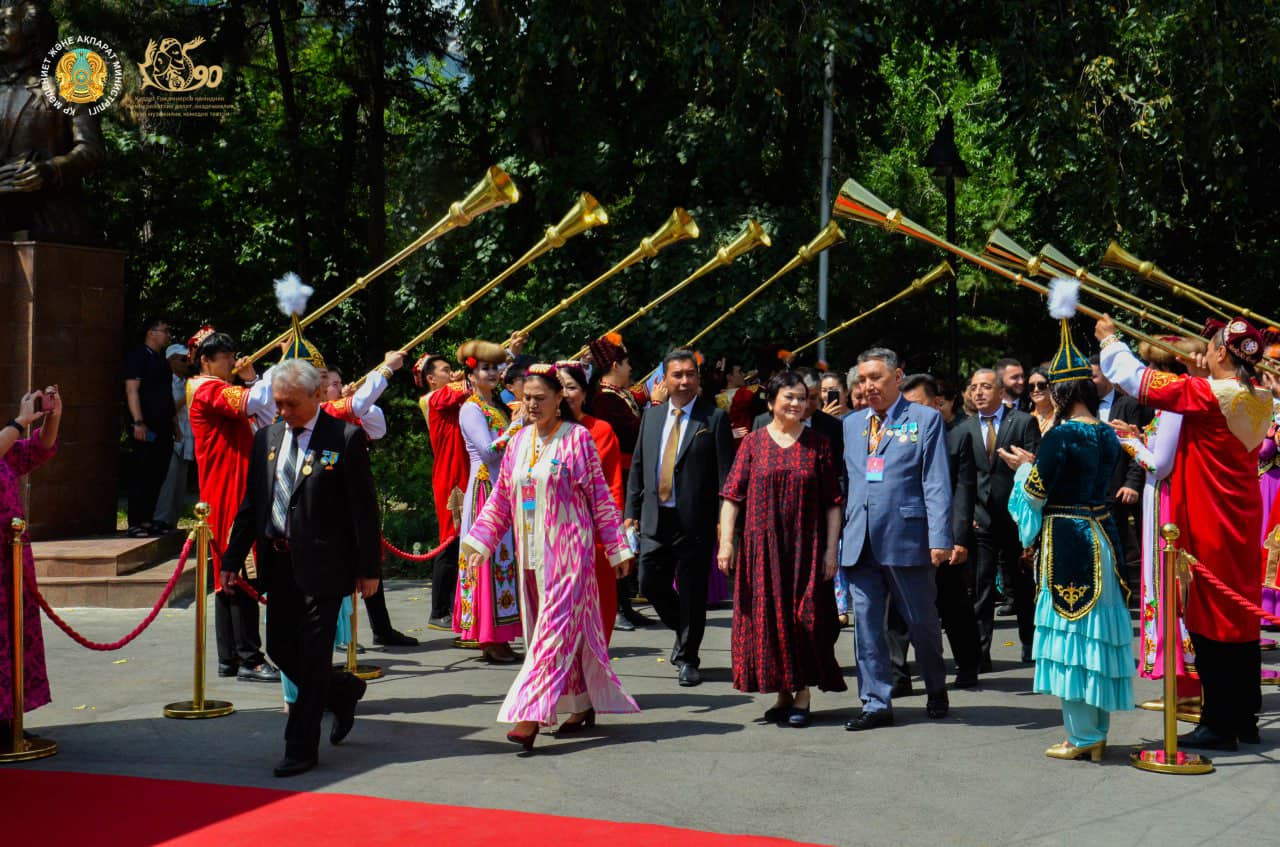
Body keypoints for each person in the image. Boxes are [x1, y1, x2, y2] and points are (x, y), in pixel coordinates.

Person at [1099, 312, 1274, 751]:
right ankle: (1243, 715)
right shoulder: (1259, 395)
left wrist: (1109, 340)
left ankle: (1218, 721)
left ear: (1218, 351)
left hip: (1208, 520)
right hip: (1241, 515)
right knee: (1240, 619)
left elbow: (1135, 379)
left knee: (1210, 619)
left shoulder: (1210, 393)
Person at [463, 364, 638, 751]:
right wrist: (480, 543)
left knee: (549, 635)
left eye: (540, 398)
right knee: (552, 634)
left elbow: (600, 499)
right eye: (526, 398)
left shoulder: (578, 439)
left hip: (570, 555)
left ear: (560, 399)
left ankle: (529, 716)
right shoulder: (519, 442)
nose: (532, 405)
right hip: (530, 554)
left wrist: (616, 548)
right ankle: (580, 703)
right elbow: (502, 498)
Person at [222, 359, 382, 777]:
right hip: (278, 562)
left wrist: (368, 569)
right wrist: (232, 559)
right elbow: (252, 504)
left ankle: (300, 746)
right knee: (279, 648)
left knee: (312, 658)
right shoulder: (268, 438)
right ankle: (343, 689)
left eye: (292, 404)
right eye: (278, 403)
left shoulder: (344, 438)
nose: (284, 412)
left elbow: (364, 512)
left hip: (326, 567)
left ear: (316, 396)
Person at [1005, 293, 1134, 762]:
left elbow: (1036, 492)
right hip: (1100, 535)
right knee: (1094, 637)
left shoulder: (1060, 435)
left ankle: (1082, 738)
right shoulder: (1105, 432)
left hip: (1067, 541)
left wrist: (1022, 469)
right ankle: (1094, 733)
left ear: (1060, 393)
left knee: (1072, 638)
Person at [718, 370, 845, 727]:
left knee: (804, 619)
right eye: (789, 397)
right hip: (762, 550)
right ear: (771, 402)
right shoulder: (753, 443)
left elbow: (833, 502)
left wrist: (831, 551)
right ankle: (783, 692)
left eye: (802, 398)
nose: (796, 403)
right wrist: (726, 542)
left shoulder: (818, 443)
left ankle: (802, 693)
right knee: (768, 621)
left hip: (806, 548)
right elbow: (731, 497)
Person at [840, 347, 952, 730]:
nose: (867, 386)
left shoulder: (925, 419)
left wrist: (940, 537)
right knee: (867, 628)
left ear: (897, 376)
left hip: (908, 537)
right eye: (862, 379)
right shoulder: (851, 424)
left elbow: (935, 482)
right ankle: (875, 702)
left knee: (921, 622)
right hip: (860, 539)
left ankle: (936, 688)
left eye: (875, 378)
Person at [625, 348, 735, 687]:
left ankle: (688, 657)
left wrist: (724, 523)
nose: (685, 381)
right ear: (664, 380)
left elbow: (724, 475)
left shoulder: (712, 419)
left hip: (695, 521)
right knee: (650, 583)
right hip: (655, 518)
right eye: (678, 375)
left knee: (692, 591)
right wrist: (630, 512)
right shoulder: (653, 416)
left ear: (698, 378)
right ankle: (683, 628)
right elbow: (639, 467)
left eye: (690, 374)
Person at [1110, 336, 1206, 703]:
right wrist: (1138, 435)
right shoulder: (1183, 405)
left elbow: (1158, 463)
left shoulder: (1174, 408)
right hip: (1170, 496)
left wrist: (1128, 441)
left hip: (1165, 500)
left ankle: (1184, 685)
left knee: (1164, 587)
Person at [186, 327, 280, 684]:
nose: (231, 362)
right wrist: (269, 372)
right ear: (206, 361)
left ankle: (230, 658)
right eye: (224, 358)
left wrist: (253, 378)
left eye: (231, 355)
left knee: (227, 576)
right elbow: (255, 402)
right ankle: (249, 658)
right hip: (228, 491)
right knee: (241, 573)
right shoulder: (207, 387)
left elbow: (265, 412)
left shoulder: (219, 388)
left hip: (231, 487)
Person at [319, 356, 417, 648]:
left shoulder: (347, 409)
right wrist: (384, 369)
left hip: (357, 490)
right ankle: (341, 636)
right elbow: (358, 405)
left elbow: (377, 427)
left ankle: (382, 628)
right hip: (333, 495)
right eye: (333, 384)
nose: (340, 387)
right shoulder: (326, 409)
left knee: (369, 558)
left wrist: (360, 399)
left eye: (338, 383)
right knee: (339, 565)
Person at [897, 373, 981, 689]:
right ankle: (897, 673)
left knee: (952, 602)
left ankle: (968, 664)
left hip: (942, 535)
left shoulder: (957, 436)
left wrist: (958, 538)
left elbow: (964, 491)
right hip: (906, 533)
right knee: (897, 606)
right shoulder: (897, 435)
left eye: (916, 404)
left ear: (935, 403)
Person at [956, 367, 1041, 665]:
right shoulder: (963, 427)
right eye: (974, 387)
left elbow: (1034, 465)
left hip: (1016, 520)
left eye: (986, 387)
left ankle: (1030, 644)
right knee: (981, 589)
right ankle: (980, 653)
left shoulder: (1023, 422)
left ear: (1000, 392)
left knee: (1022, 585)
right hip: (981, 520)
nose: (978, 392)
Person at [454, 340, 523, 663]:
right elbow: (487, 451)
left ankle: (500, 634)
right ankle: (489, 637)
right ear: (471, 374)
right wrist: (517, 428)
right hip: (485, 491)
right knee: (491, 562)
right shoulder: (471, 408)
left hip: (500, 489)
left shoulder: (494, 406)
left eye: (496, 367)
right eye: (485, 368)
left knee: (504, 563)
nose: (493, 373)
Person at [0, 386, 60, 741]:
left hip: (11, 561)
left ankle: (9, 720)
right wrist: (19, 421)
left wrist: (54, 417)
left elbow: (38, 450)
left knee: (13, 638)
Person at [586, 332, 652, 632]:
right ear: (615, 365)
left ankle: (625, 604)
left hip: (629, 472)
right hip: (618, 473)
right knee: (619, 534)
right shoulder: (604, 399)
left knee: (627, 537)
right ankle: (619, 605)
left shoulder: (618, 395)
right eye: (626, 364)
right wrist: (656, 407)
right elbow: (628, 432)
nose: (630, 370)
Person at [558, 360, 626, 644]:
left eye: (571, 387)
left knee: (598, 606)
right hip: (551, 536)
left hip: (591, 536)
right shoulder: (535, 433)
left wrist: (614, 539)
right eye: (558, 387)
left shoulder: (600, 431)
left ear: (585, 393)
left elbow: (611, 488)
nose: (564, 394)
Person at [415, 353, 466, 631]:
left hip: (464, 472)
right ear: (431, 379)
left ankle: (455, 606)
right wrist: (474, 367)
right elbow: (469, 383)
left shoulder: (451, 395)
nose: (452, 373)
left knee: (462, 543)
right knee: (450, 542)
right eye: (446, 370)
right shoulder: (434, 398)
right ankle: (439, 610)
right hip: (451, 477)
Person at [1090, 354, 1147, 595]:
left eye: (1092, 375)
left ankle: (1122, 595)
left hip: (1120, 486)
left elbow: (1138, 446)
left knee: (1119, 544)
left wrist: (1133, 482)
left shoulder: (1128, 404)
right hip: (1092, 488)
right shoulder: (1083, 405)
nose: (1089, 381)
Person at [123, 317, 177, 538]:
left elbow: (168, 395)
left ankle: (148, 519)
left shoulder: (162, 361)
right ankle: (135, 522)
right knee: (142, 472)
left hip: (164, 426)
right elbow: (132, 390)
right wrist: (138, 421)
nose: (168, 335)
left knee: (158, 473)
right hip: (145, 426)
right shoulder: (137, 357)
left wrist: (176, 426)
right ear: (151, 333)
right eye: (164, 330)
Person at [152, 343, 195, 534]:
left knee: (179, 485)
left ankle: (172, 523)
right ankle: (161, 520)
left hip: (186, 440)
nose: (187, 363)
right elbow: (168, 409)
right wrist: (187, 396)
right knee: (168, 483)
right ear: (171, 360)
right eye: (183, 359)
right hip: (171, 438)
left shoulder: (187, 383)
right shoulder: (165, 381)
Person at [1026, 367, 1057, 435]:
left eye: (1041, 385)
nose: (1036, 390)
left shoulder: (1061, 417)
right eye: (1031, 387)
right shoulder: (1025, 419)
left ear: (1051, 387)